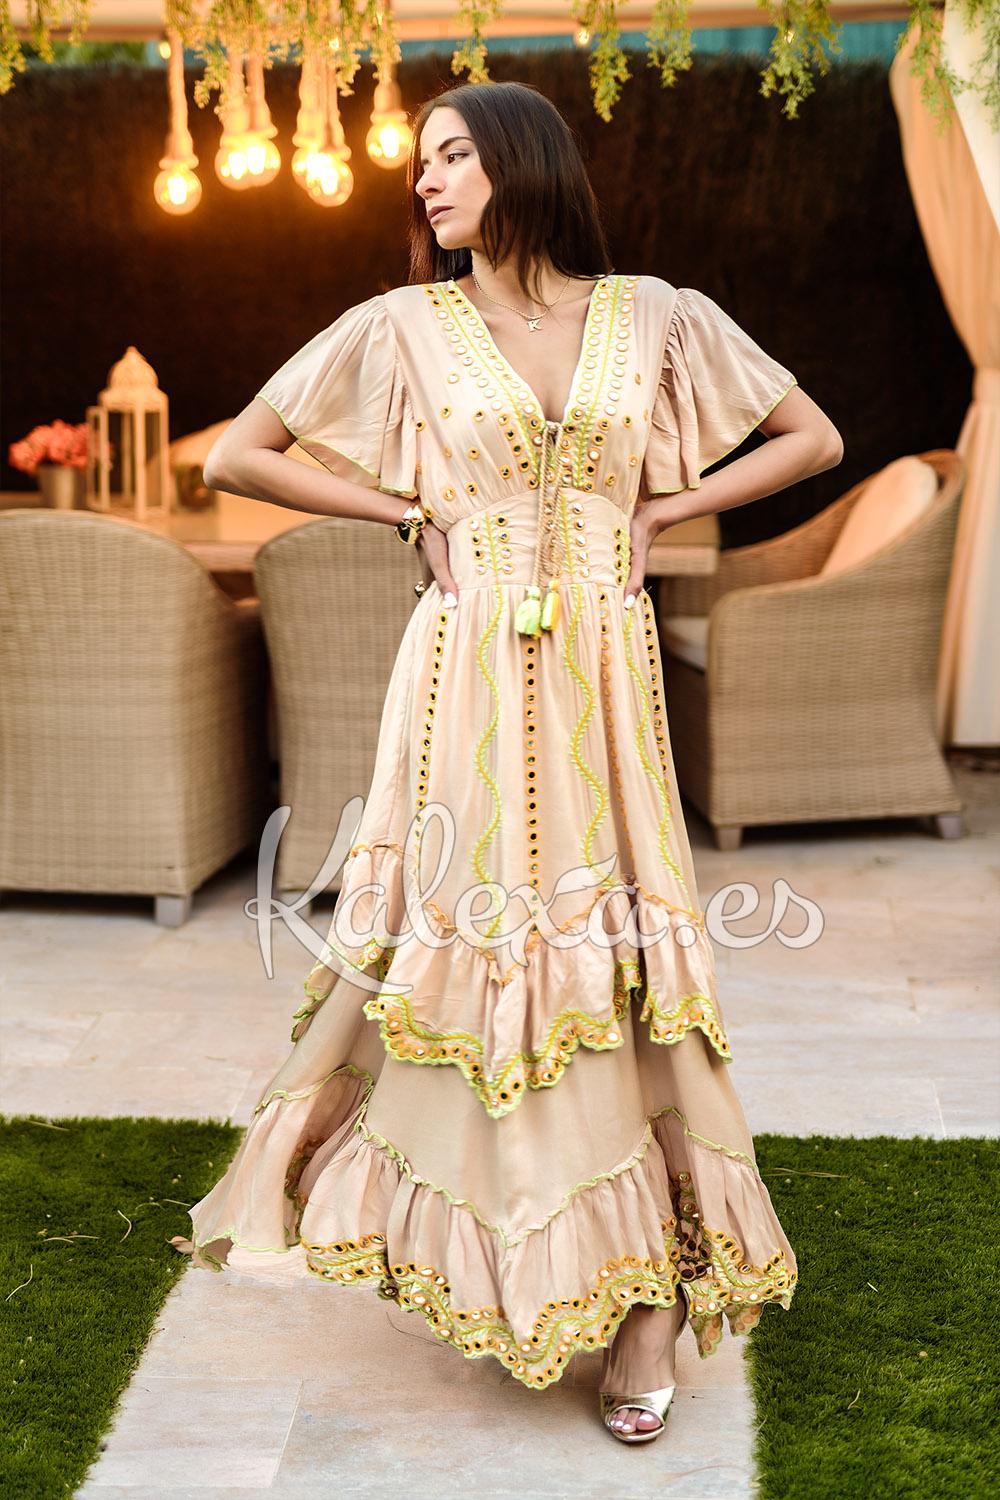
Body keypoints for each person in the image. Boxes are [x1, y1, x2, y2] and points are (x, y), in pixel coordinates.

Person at [172, 79, 843, 1443]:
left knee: (620, 949)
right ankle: (519, 1259)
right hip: (464, 670)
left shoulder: (655, 315)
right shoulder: (401, 325)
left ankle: (648, 1297)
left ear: (523, 161)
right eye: (419, 164)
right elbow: (241, 454)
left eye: (452, 157)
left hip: (603, 672)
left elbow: (810, 437)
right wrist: (403, 510)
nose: (424, 183)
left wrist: (663, 506)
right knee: (476, 957)